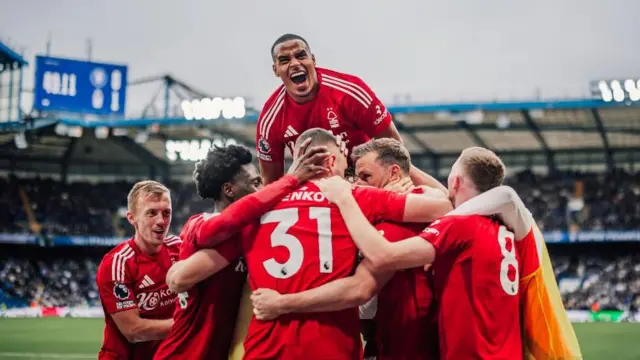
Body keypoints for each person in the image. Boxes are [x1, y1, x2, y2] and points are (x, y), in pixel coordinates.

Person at [242, 128, 452, 360]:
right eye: (348, 168)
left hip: (264, 345)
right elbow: (445, 204)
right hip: (331, 345)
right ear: (332, 162)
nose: (355, 181)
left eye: (364, 176)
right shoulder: (354, 198)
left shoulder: (259, 204)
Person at [315, 147, 526, 359]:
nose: (358, 184)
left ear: (456, 182)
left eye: (365, 176)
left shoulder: (458, 226)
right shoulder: (506, 228)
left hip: (460, 352)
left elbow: (383, 257)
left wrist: (345, 199)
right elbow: (449, 202)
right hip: (505, 350)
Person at [153, 140, 331, 360]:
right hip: (184, 354)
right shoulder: (201, 224)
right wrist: (290, 180)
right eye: (255, 183)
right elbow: (180, 278)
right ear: (229, 189)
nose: (261, 190)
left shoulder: (253, 232)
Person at [256, 33, 445, 194]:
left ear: (313, 60)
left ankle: (454, 206)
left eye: (300, 56)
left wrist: (389, 183)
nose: (295, 63)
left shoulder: (349, 91)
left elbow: (395, 148)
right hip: (314, 185)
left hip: (365, 177)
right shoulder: (270, 119)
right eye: (285, 60)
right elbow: (271, 183)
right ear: (275, 70)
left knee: (435, 194)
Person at [96, 181, 181, 360]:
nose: (161, 221)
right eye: (151, 213)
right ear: (132, 218)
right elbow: (133, 331)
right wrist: (190, 325)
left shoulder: (180, 249)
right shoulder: (118, 264)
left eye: (166, 213)